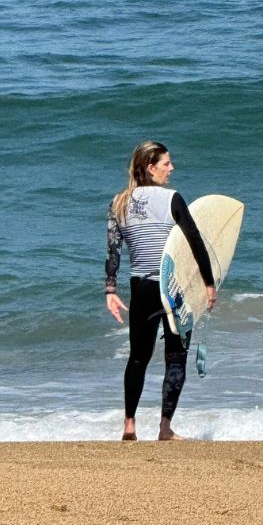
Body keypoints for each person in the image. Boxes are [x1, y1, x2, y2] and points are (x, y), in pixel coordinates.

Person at [105, 141, 216, 441]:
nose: (172, 168)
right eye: (166, 164)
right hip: (172, 287)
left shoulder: (119, 202)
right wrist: (208, 283)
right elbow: (195, 242)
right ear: (150, 168)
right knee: (176, 357)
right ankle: (164, 428)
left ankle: (129, 424)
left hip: (140, 288)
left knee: (138, 358)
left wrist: (110, 290)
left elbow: (113, 251)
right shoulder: (172, 199)